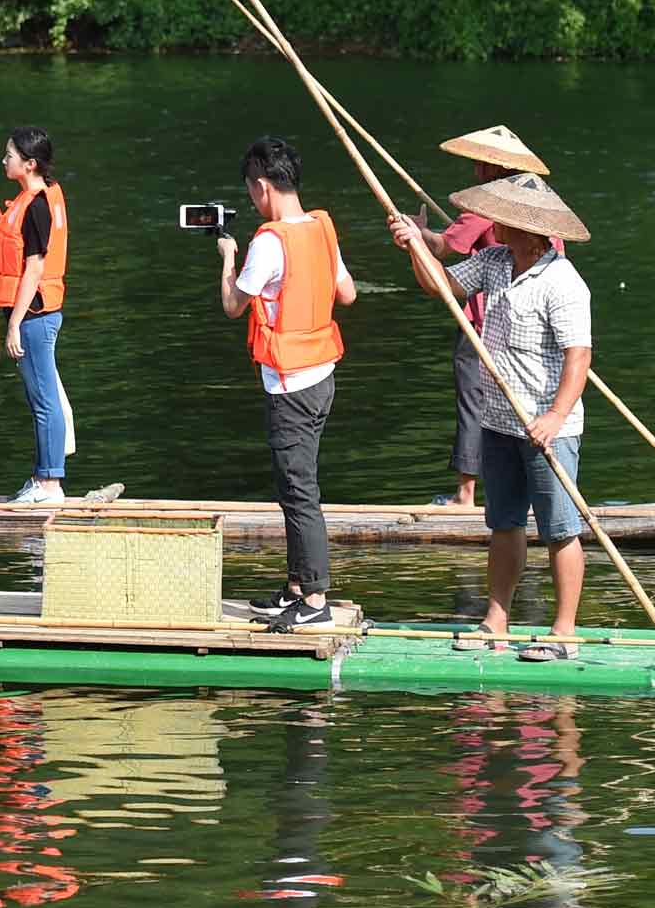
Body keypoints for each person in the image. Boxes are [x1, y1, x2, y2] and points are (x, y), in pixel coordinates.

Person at [387, 172, 593, 662]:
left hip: (548, 428)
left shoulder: (563, 281)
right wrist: (416, 245)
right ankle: (495, 619)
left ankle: (564, 630)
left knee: (561, 529)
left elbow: (578, 358)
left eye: (503, 218)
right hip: (499, 422)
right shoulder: (495, 262)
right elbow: (441, 287)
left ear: (526, 228)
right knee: (503, 524)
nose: (493, 224)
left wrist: (553, 415)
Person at [219, 137, 358, 631]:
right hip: (322, 377)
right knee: (294, 486)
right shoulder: (321, 227)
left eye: (252, 192)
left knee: (300, 491)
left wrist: (227, 259)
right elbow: (348, 293)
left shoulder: (269, 241)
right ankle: (297, 587)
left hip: (291, 387)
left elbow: (234, 305)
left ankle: (316, 599)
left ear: (262, 186)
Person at [408, 125, 554, 507]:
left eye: (480, 163)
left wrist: (419, 234)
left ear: (493, 167)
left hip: (486, 320)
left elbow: (443, 248)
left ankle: (466, 494)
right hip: (534, 323)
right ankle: (528, 489)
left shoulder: (488, 202)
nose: (475, 171)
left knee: (473, 397)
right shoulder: (541, 201)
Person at [0, 126, 73, 504]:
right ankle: (42, 477)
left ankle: (50, 483)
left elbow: (34, 268)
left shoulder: (37, 205)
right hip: (36, 313)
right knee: (42, 395)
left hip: (35, 314)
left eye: (10, 154)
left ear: (30, 163)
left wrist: (14, 324)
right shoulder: (35, 198)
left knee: (44, 398)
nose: (4, 160)